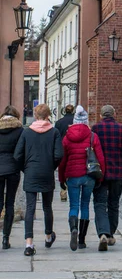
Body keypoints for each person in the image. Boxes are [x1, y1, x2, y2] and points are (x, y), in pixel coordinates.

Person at [14, 103, 63, 256]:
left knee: (30, 208)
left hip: (31, 172)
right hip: (47, 172)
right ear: (48, 116)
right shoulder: (54, 132)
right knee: (47, 207)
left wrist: (26, 168)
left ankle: (29, 244)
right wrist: (51, 166)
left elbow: (17, 155)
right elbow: (59, 155)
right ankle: (48, 236)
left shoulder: (26, 133)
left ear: (35, 116)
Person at [58, 105, 105, 251]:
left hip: (72, 176)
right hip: (89, 176)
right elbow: (101, 159)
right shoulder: (92, 136)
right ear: (85, 121)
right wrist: (100, 178)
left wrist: (61, 179)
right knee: (85, 205)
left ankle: (73, 228)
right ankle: (82, 240)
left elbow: (62, 160)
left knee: (73, 206)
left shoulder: (67, 138)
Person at [92, 105, 122, 252]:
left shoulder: (95, 129)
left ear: (101, 115)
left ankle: (103, 233)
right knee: (114, 203)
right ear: (114, 114)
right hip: (117, 173)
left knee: (99, 203)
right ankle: (110, 234)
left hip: (100, 174)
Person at [0, 105, 24, 250]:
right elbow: (21, 151)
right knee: (10, 203)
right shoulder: (20, 130)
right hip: (13, 169)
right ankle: (5, 238)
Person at [55, 104, 75, 202]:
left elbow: (56, 138)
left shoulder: (59, 123)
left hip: (62, 148)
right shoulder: (75, 122)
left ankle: (63, 191)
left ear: (64, 111)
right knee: (72, 169)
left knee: (62, 169)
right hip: (73, 149)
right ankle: (72, 191)